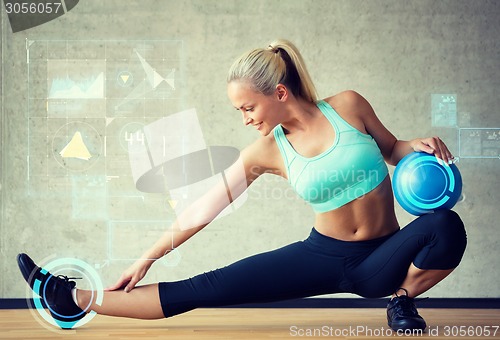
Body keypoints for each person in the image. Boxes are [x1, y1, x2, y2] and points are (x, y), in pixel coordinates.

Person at [18, 39, 467, 332]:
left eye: (247, 107)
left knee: (446, 227)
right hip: (324, 256)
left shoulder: (349, 106)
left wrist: (418, 146)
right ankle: (70, 296)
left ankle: (401, 301)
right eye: (239, 111)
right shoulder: (264, 152)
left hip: (383, 261)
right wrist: (147, 257)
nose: (245, 118)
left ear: (279, 93)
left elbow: (393, 148)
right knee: (205, 287)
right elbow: (202, 209)